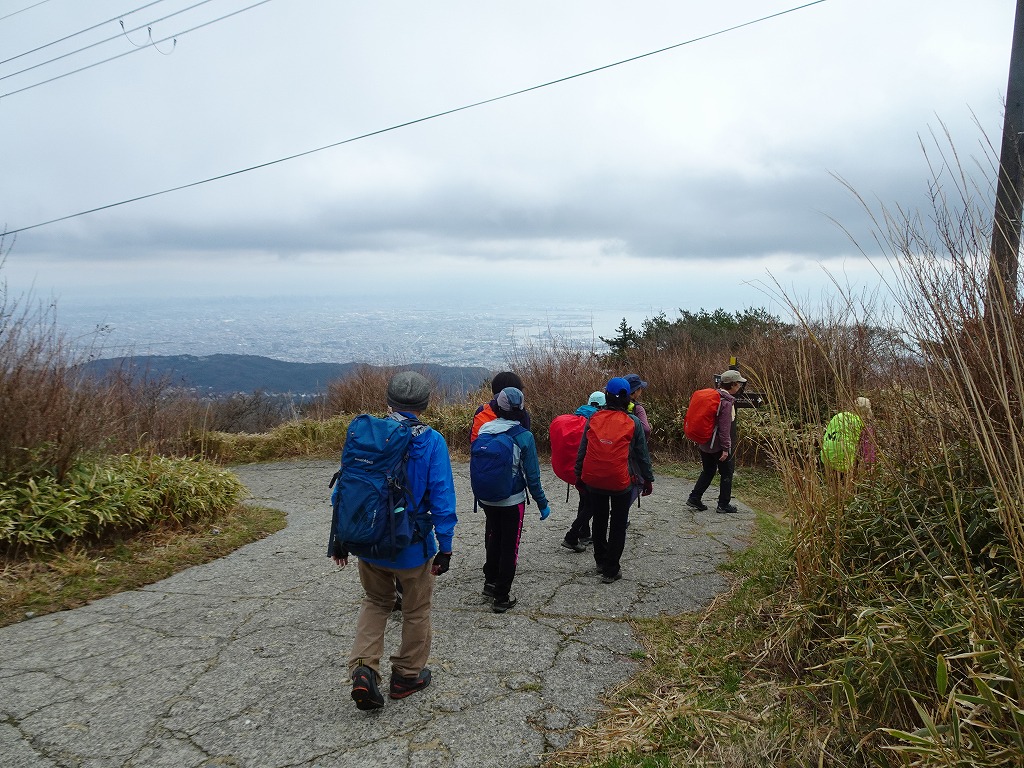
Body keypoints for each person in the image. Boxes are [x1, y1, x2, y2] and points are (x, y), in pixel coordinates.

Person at [332, 371, 458, 711]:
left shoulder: (366, 434)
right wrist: (445, 547)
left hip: (369, 542)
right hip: (411, 547)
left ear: (389, 401)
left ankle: (364, 668)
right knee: (416, 610)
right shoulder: (431, 441)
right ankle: (406, 676)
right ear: (425, 404)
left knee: (376, 601)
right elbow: (442, 498)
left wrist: (340, 538)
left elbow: (344, 490)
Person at [475, 387, 551, 613]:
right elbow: (532, 476)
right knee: (510, 546)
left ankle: (490, 582)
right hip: (511, 500)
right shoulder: (524, 437)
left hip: (487, 499)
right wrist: (542, 503)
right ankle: (501, 597)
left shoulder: (485, 430)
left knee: (494, 536)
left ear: (497, 407)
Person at [574, 377, 654, 583]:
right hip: (620, 481)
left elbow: (583, 450)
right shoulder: (633, 422)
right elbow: (642, 455)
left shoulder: (594, 418)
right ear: (628, 398)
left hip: (594, 480)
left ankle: (600, 561)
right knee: (618, 523)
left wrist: (579, 476)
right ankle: (611, 569)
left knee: (599, 520)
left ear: (606, 396)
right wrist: (648, 479)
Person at [686, 369, 745, 514]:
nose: (740, 387)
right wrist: (726, 448)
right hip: (718, 445)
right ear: (732, 384)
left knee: (708, 470)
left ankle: (694, 497)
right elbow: (724, 428)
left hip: (705, 442)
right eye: (738, 384)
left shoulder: (713, 396)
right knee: (727, 473)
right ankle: (723, 504)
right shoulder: (726, 403)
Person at [561, 391, 606, 552]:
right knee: (592, 504)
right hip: (591, 468)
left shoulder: (579, 415)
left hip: (577, 468)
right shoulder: (597, 420)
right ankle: (572, 535)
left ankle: (584, 533)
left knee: (584, 500)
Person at [470, 371, 531, 442]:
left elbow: (473, 438)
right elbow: (526, 441)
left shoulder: (482, 410)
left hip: (480, 448)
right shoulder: (522, 414)